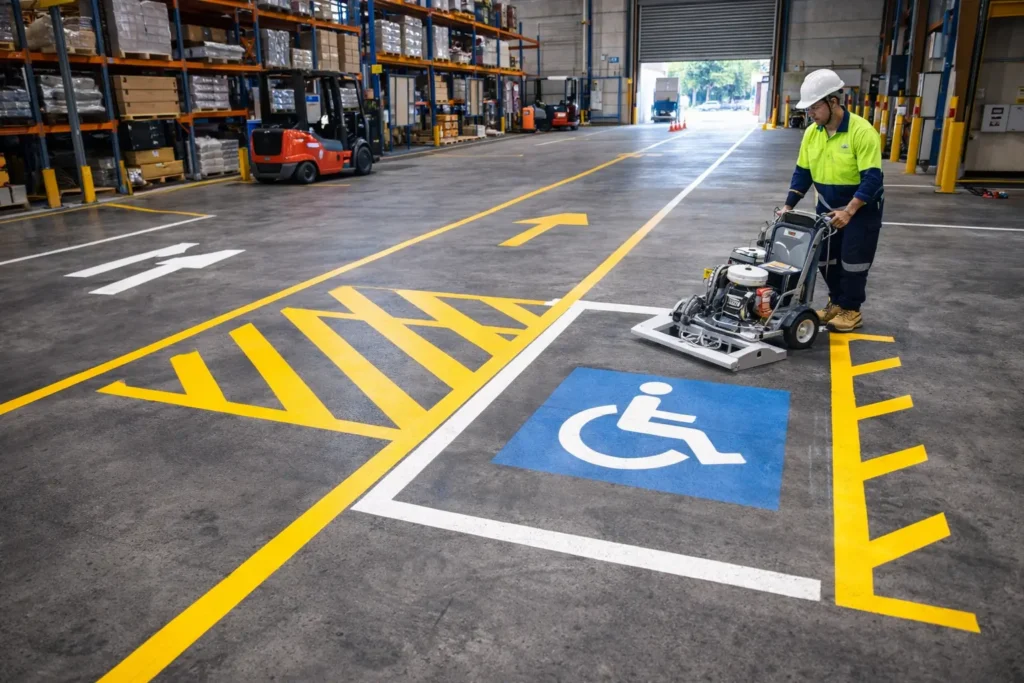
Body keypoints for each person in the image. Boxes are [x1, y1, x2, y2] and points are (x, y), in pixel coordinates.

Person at [780, 69, 884, 332]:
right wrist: (788, 206)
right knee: (826, 259)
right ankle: (836, 303)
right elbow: (802, 172)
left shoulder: (862, 132)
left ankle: (851, 310)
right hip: (827, 207)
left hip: (860, 208)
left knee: (853, 261)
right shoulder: (812, 133)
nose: (810, 114)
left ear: (833, 102)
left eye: (814, 108)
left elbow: (872, 178)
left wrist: (849, 211)